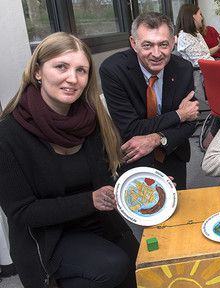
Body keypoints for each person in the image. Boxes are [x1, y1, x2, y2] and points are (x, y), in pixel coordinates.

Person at [0, 32, 138, 287]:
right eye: (61, 67)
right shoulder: (8, 135)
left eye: (81, 71)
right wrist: (90, 200)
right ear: (38, 72)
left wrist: (147, 182)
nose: (72, 79)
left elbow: (108, 173)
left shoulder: (90, 118)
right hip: (48, 236)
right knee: (113, 265)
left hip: (97, 220)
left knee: (140, 261)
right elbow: (21, 212)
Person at [100, 12, 199, 190]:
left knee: (180, 212)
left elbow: (191, 121)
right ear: (133, 43)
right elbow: (131, 129)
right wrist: (179, 115)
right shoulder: (113, 71)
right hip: (133, 158)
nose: (156, 54)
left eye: (163, 44)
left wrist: (157, 139)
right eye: (147, 45)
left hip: (172, 150)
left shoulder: (183, 69)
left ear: (173, 42)